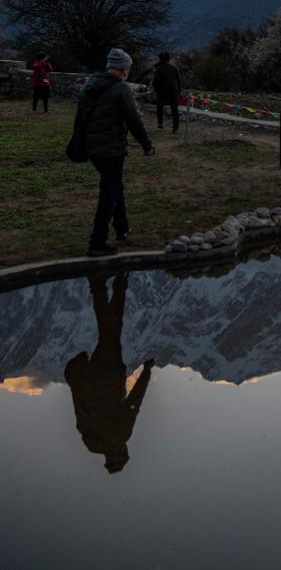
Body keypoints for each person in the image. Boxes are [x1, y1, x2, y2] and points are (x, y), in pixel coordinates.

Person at [64, 273, 153, 474]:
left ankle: (109, 282)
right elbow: (80, 405)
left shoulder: (120, 436)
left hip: (108, 376)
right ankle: (106, 284)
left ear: (120, 454)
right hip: (84, 376)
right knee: (110, 331)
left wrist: (146, 372)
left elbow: (134, 403)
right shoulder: (90, 440)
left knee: (111, 332)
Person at [81, 47, 155, 257]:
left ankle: (121, 227)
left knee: (114, 185)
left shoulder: (91, 85)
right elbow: (134, 119)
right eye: (128, 68)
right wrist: (146, 145)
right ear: (123, 69)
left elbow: (81, 116)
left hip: (92, 146)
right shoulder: (121, 88)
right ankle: (97, 241)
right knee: (109, 191)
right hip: (111, 147)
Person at [152, 50, 182, 133]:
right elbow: (178, 80)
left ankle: (160, 124)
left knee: (159, 107)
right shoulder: (173, 68)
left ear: (160, 58)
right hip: (174, 90)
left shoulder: (158, 68)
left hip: (162, 90)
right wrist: (179, 91)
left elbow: (156, 80)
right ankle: (175, 128)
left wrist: (155, 90)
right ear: (168, 59)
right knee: (174, 109)